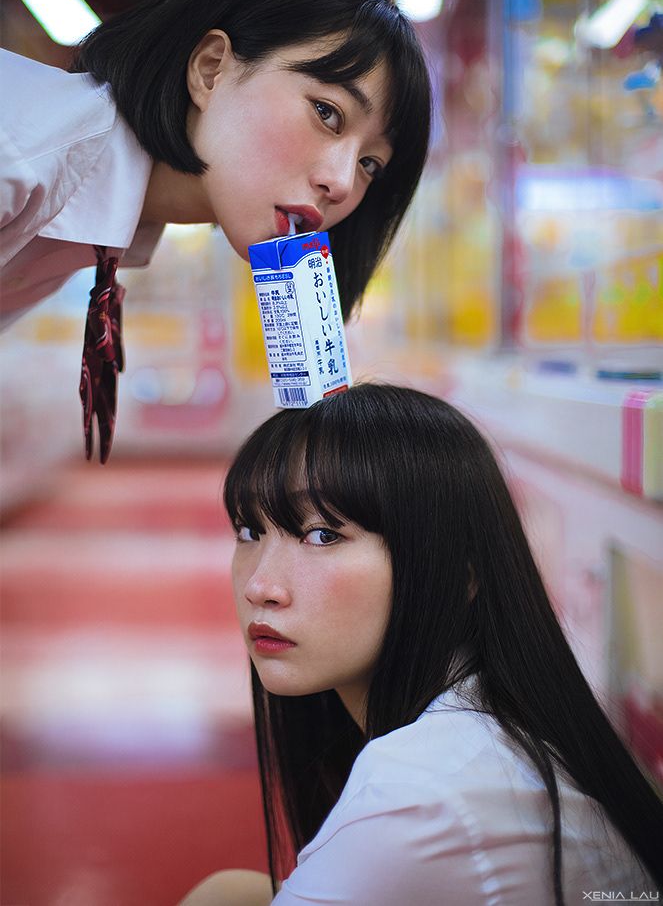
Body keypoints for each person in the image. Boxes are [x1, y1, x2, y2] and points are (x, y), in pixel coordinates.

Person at [181, 384, 662, 905]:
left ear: (460, 572)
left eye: (322, 535)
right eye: (249, 530)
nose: (260, 587)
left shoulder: (417, 794)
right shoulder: (493, 718)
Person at [0, 0, 430, 459]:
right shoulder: (22, 151)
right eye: (327, 112)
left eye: (370, 165)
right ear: (211, 69)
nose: (339, 182)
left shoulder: (101, 212)